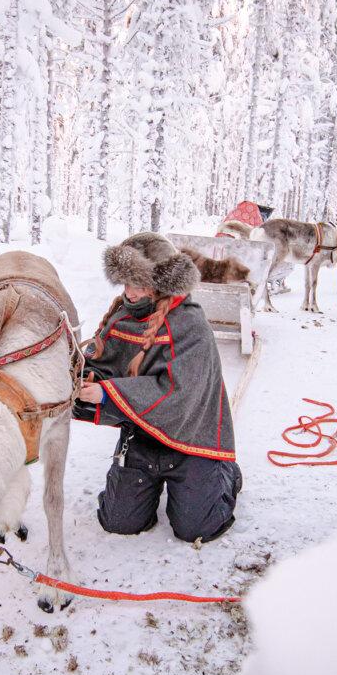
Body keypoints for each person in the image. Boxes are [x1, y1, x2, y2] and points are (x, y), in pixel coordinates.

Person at [73, 233, 241, 544]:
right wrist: (84, 381)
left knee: (195, 528)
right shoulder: (122, 317)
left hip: (192, 440)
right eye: (125, 283)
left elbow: (179, 395)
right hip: (143, 436)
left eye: (139, 284)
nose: (130, 294)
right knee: (119, 521)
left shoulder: (190, 324)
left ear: (162, 283)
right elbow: (103, 365)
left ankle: (225, 473)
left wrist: (110, 394)